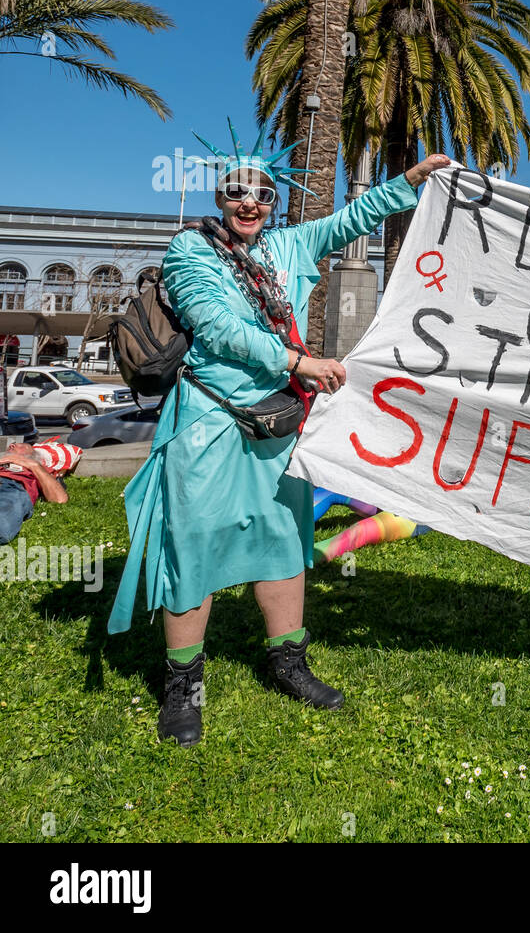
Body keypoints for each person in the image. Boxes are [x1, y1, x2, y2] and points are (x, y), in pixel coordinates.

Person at [106, 120, 449, 746]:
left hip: (280, 422)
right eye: (238, 191)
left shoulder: (285, 248)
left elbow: (353, 217)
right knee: (194, 545)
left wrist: (411, 181)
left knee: (283, 541)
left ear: (274, 201)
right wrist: (299, 363)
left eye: (263, 194)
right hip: (209, 420)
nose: (250, 203)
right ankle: (184, 686)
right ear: (220, 196)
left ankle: (288, 663)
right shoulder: (190, 250)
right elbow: (214, 325)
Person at [0, 440, 77, 543]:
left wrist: (33, 465)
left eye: (20, 445)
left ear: (32, 455)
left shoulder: (38, 467)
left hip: (11, 486)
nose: (12, 445)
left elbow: (60, 499)